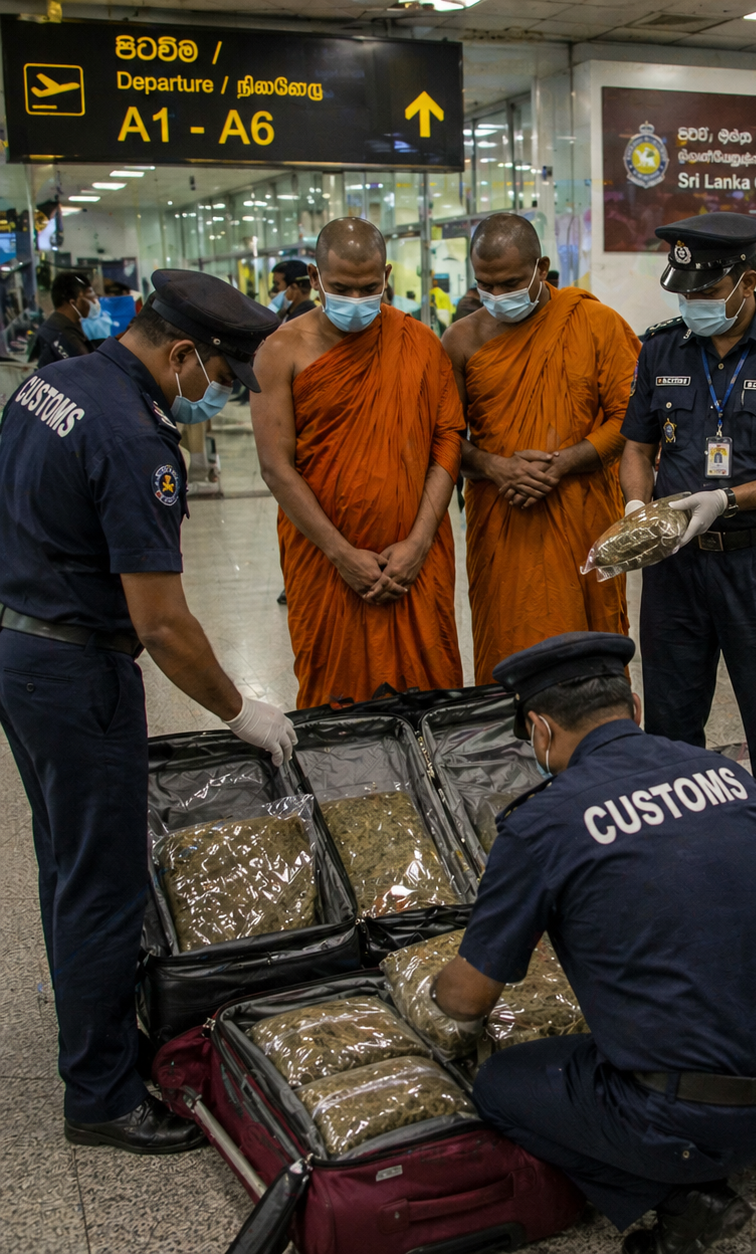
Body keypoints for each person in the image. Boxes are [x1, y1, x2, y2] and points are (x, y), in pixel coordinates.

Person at [426, 632, 756, 1253]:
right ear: (636, 708)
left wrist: (432, 981)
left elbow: (467, 1001)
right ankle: (754, 1140)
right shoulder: (726, 775)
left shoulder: (543, 823)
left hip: (695, 1120)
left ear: (539, 730)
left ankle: (678, 1199)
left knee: (501, 1087)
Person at [0, 270, 293, 1153]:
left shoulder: (54, 382)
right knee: (105, 881)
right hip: (75, 667)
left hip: (20, 643)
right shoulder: (135, 437)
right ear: (180, 354)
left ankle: (95, 1039)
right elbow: (160, 620)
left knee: (66, 863)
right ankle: (100, 1094)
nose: (224, 396)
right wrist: (242, 709)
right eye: (222, 377)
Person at [620, 212, 756, 863]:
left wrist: (728, 498)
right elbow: (637, 444)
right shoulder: (661, 347)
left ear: (747, 280)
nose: (692, 306)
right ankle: (678, 842)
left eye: (705, 294)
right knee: (670, 715)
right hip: (676, 565)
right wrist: (637, 504)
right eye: (683, 294)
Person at [252, 217, 463, 708]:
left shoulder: (420, 343)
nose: (356, 300)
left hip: (416, 557)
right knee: (336, 701)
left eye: (370, 287)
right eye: (341, 288)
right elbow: (276, 467)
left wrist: (418, 541)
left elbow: (447, 439)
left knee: (428, 695)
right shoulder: (280, 351)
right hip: (326, 562)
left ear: (386, 274)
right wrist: (340, 554)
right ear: (315, 276)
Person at [441, 214, 638, 681]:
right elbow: (446, 436)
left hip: (583, 514)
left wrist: (563, 462)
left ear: (542, 267)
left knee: (587, 657)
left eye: (510, 282)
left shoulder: (596, 323)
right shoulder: (460, 340)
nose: (497, 296)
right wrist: (495, 466)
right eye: (485, 285)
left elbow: (630, 419)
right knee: (510, 641)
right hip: (502, 518)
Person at [29, 271, 95, 366]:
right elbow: (87, 370)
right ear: (73, 302)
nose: (93, 301)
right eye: (88, 296)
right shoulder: (63, 336)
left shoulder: (59, 326)